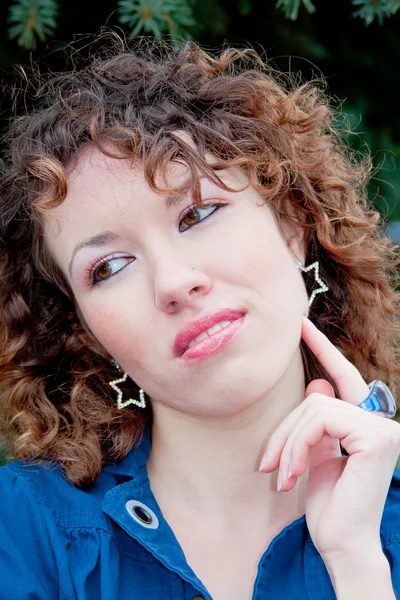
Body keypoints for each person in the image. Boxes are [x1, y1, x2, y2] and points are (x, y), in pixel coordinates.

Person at [0, 34, 400, 600]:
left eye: (199, 213)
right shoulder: (19, 533)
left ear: (293, 224)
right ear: (85, 328)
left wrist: (356, 563)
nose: (173, 282)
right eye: (110, 266)